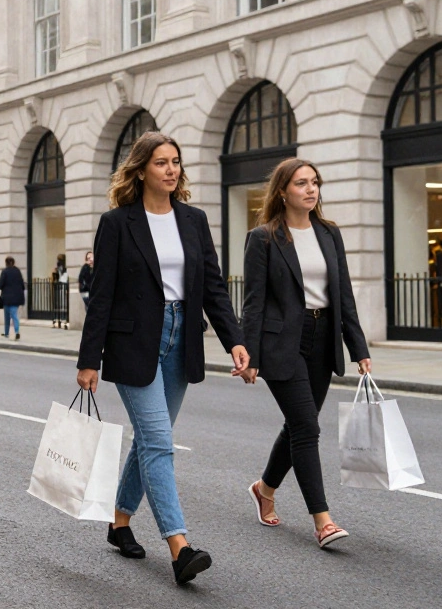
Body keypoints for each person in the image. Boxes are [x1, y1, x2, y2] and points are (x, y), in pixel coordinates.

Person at [76, 132, 248, 586]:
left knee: (152, 440)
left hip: (181, 336)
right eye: (161, 163)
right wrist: (89, 358)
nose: (171, 170)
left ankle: (119, 521)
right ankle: (180, 547)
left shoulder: (193, 220)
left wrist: (234, 339)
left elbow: (212, 286)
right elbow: (103, 294)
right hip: (134, 342)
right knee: (158, 442)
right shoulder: (117, 223)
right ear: (141, 169)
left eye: (175, 162)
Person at [240, 158, 370, 549]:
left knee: (300, 424)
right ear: (283, 191)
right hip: (284, 343)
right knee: (308, 429)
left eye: (315, 182)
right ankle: (323, 520)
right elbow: (254, 303)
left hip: (322, 336)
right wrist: (249, 355)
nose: (311, 189)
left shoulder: (329, 233)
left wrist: (358, 347)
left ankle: (264, 488)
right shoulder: (263, 238)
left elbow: (343, 294)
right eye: (301, 183)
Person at [0, 256, 24, 339]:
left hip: (7, 297)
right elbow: (22, 285)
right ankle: (17, 331)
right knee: (14, 315)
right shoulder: (18, 271)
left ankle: (7, 333)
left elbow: (0, 285)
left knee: (7, 317)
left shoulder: (5, 271)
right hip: (17, 297)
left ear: (6, 263)